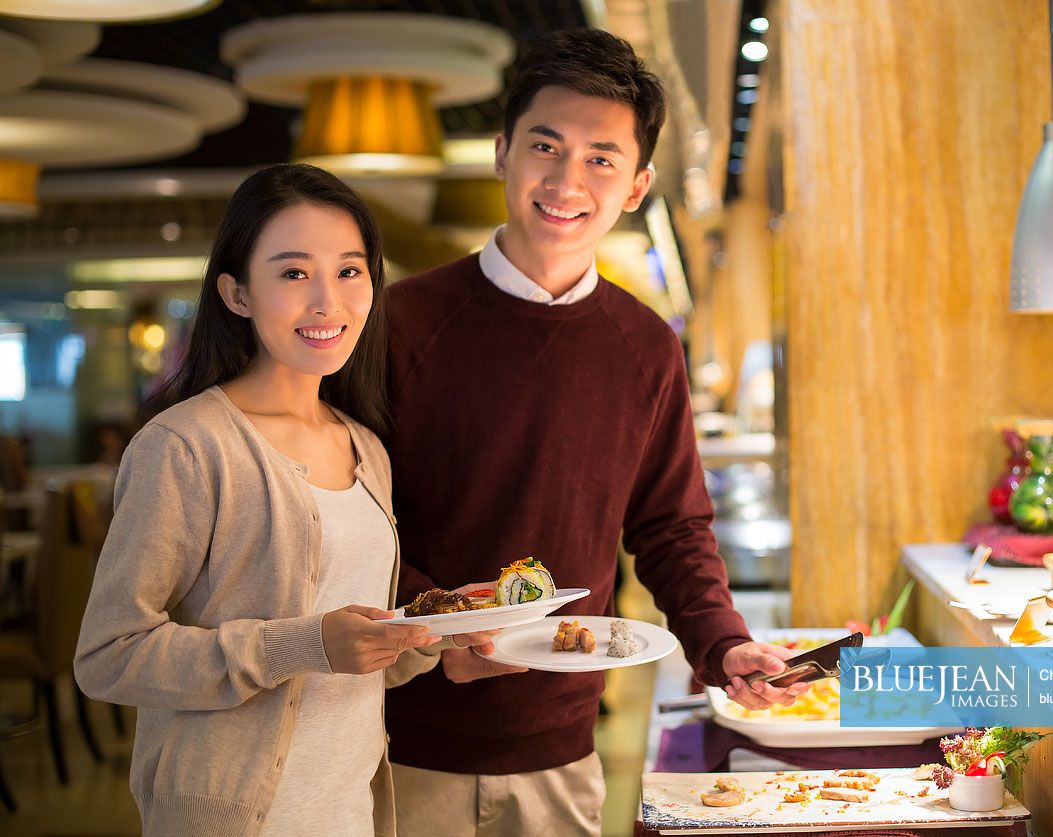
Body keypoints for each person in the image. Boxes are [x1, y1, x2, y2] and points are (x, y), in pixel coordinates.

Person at [383, 28, 808, 836]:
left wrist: (721, 644)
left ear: (638, 184)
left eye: (601, 158)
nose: (566, 179)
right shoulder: (402, 322)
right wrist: (435, 625)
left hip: (561, 746)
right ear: (502, 152)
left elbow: (671, 523)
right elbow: (344, 515)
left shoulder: (645, 345)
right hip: (402, 739)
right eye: (545, 146)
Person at [75, 163, 444, 837]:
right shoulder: (185, 446)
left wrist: (440, 637)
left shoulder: (366, 447)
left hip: (351, 811)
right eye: (294, 273)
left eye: (350, 271)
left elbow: (346, 656)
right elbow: (109, 654)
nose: (327, 301)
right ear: (237, 292)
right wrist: (301, 644)